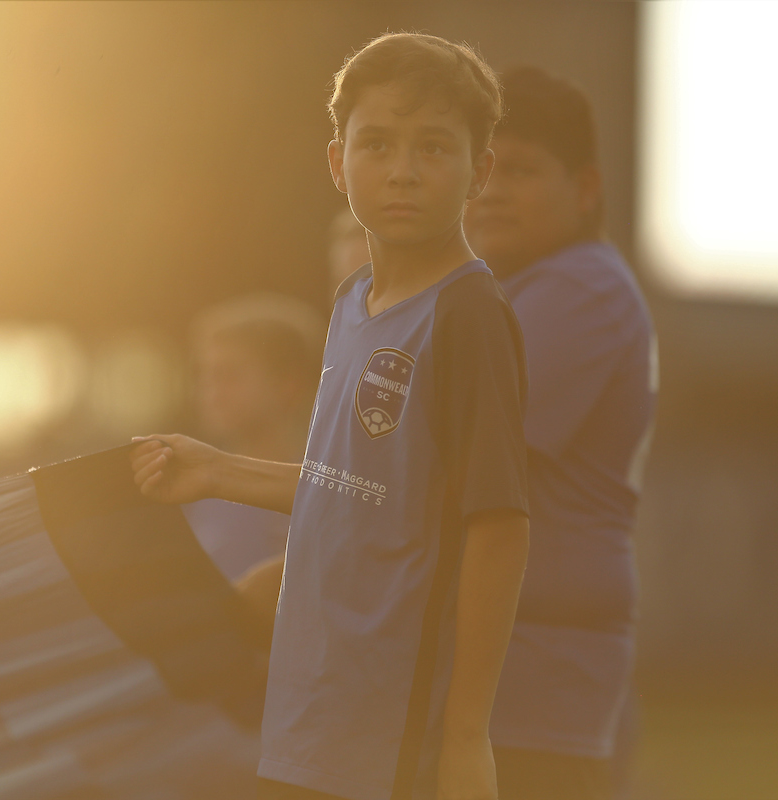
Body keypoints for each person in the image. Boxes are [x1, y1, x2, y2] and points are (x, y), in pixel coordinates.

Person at [132, 32, 531, 800]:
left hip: (395, 723)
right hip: (310, 711)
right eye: (376, 143)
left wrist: (466, 733)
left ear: (479, 172)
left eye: (434, 148)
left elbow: (499, 527)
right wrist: (215, 471)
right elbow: (355, 486)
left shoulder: (469, 314)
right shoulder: (353, 305)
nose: (403, 171)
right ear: (336, 162)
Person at [462, 67, 658, 800]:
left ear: (586, 190)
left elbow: (431, 450)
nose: (493, 190)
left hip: (537, 686)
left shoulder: (579, 287)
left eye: (520, 169)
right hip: (518, 678)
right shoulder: (523, 288)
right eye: (482, 168)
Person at [182, 293, 325, 584]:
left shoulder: (327, 490)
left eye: (229, 376)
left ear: (289, 385)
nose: (212, 394)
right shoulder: (190, 492)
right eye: (205, 376)